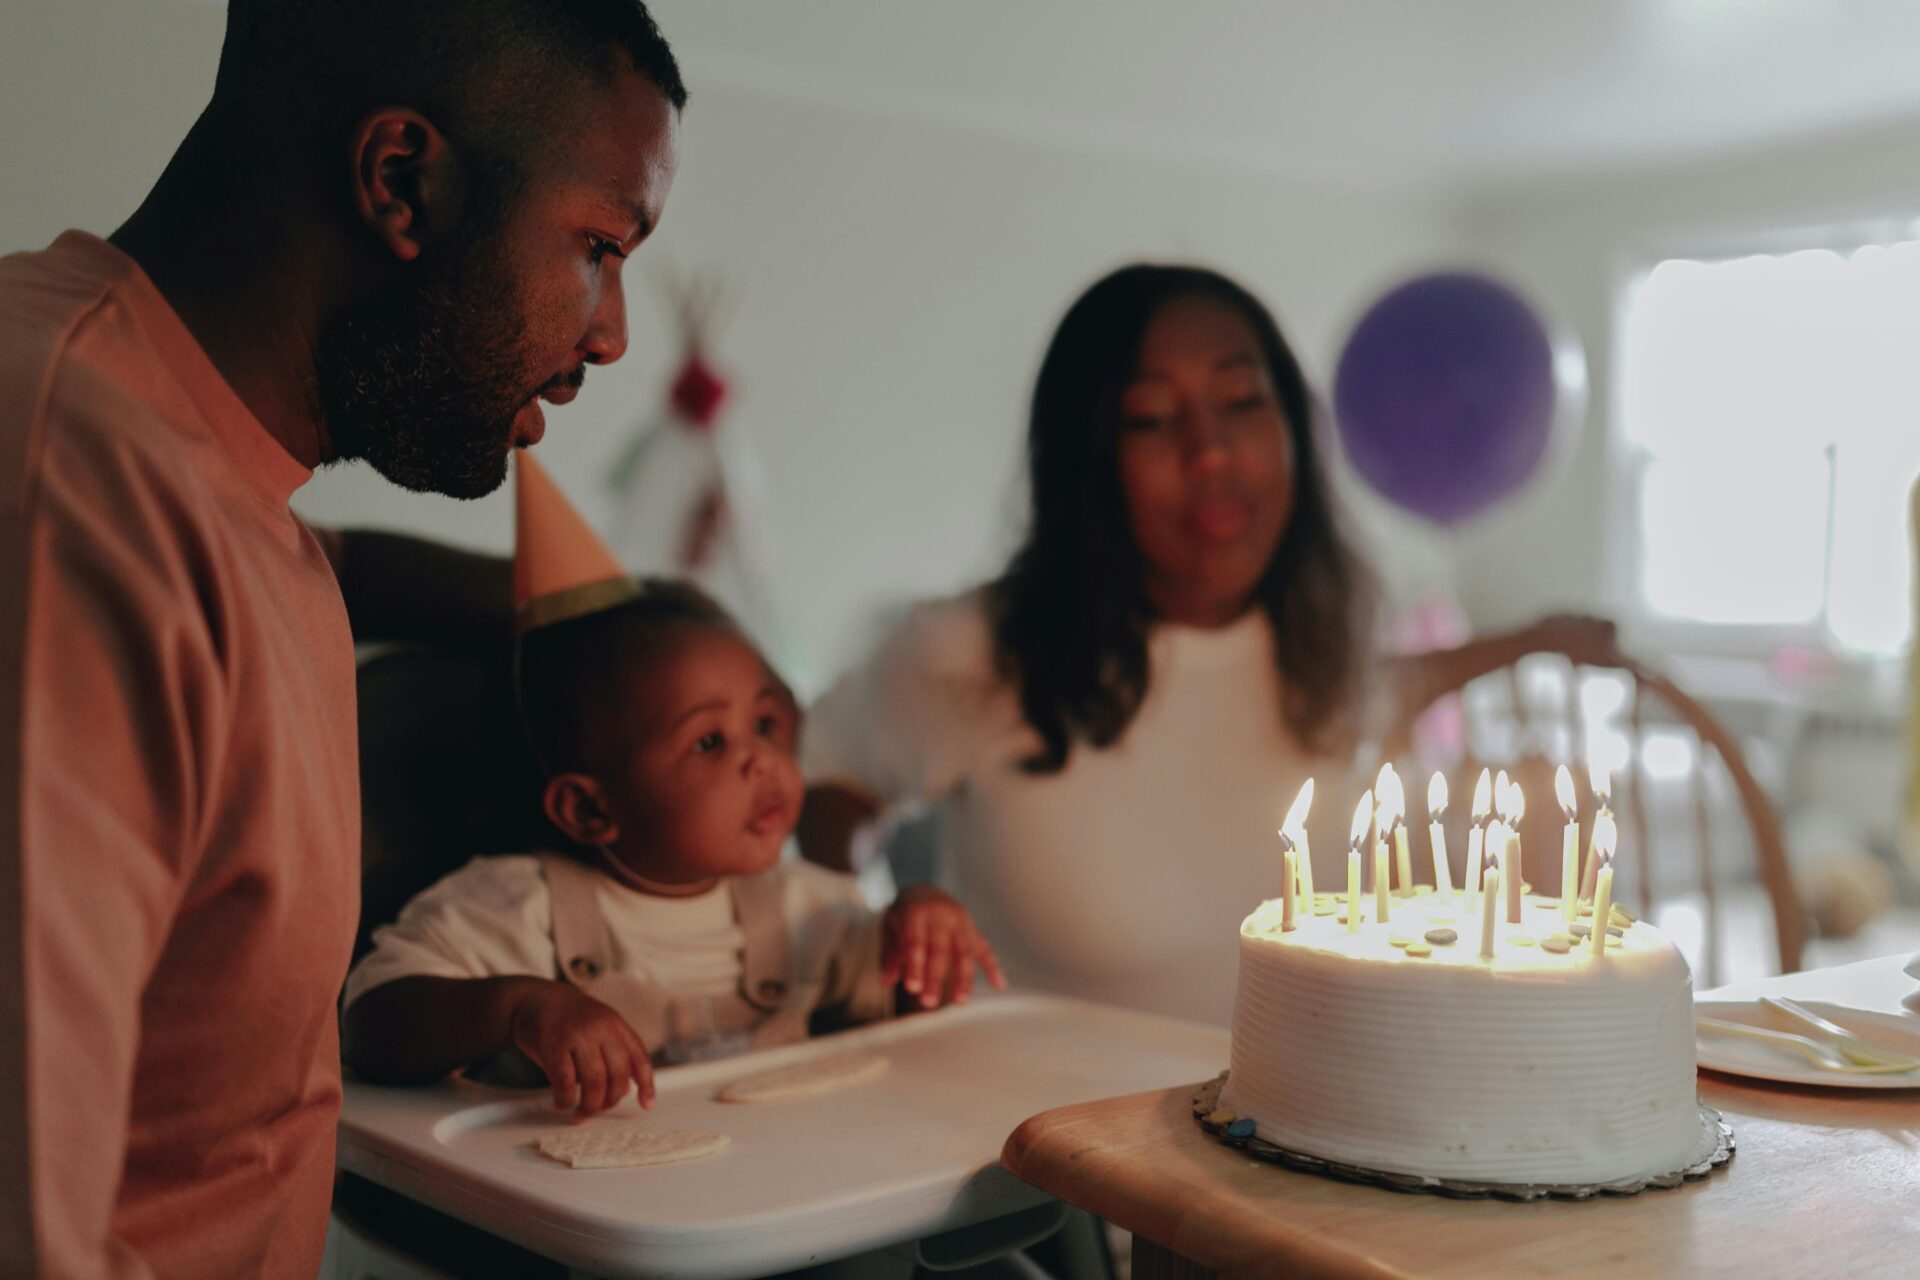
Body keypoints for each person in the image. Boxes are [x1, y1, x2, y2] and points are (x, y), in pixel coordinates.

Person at [0, 3, 683, 1274]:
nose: (611, 336)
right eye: (598, 244)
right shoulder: (69, 491)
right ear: (400, 181)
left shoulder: (243, 514)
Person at [798, 263, 1621, 1026]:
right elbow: (811, 779)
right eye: (1152, 418)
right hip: (1051, 1164)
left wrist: (1533, 639)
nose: (1212, 452)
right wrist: (866, 935)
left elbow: (1396, 684)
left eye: (1242, 402)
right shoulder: (976, 651)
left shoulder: (1325, 654)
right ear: (1088, 458)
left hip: (1301, 1153)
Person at [343, 460, 1003, 1118]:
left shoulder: (807, 909)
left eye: (767, 723)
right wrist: (521, 1008)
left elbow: (909, 1027)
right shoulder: (515, 908)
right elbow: (369, 1023)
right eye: (710, 742)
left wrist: (922, 931)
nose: (765, 761)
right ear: (589, 807)